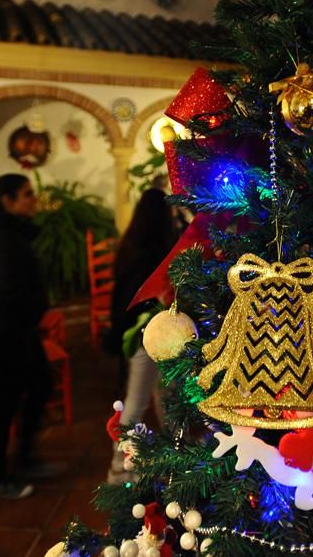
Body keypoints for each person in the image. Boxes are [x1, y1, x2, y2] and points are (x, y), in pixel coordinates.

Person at [0, 174, 55, 500]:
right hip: (1, 330)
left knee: (39, 384)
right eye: (27, 194)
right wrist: (31, 313)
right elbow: (8, 290)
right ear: (7, 200)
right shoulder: (2, 237)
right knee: (3, 402)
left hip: (13, 327)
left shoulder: (7, 230)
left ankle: (26, 458)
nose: (34, 199)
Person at [105, 186, 180, 484]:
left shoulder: (132, 246)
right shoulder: (155, 252)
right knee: (139, 402)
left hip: (140, 334)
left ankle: (173, 456)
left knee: (164, 396)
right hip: (147, 336)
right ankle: (118, 468)